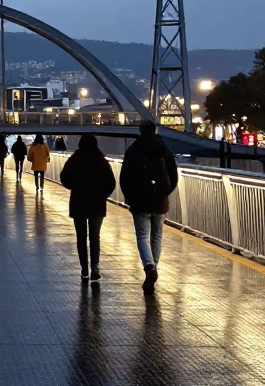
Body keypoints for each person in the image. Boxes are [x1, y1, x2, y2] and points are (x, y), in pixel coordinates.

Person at [120, 118, 178, 293]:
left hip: (139, 201)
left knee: (142, 236)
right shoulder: (164, 150)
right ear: (155, 131)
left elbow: (125, 178)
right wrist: (164, 192)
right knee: (157, 236)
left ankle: (149, 268)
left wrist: (130, 197)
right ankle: (153, 269)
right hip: (160, 200)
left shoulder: (133, 150)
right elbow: (173, 176)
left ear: (140, 131)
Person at [60, 133, 116, 281]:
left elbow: (64, 177)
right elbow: (111, 182)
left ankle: (84, 267)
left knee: (81, 237)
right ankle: (95, 266)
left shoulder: (75, 159)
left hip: (78, 202)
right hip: (97, 204)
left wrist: (74, 187)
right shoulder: (101, 159)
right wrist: (102, 195)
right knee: (94, 236)